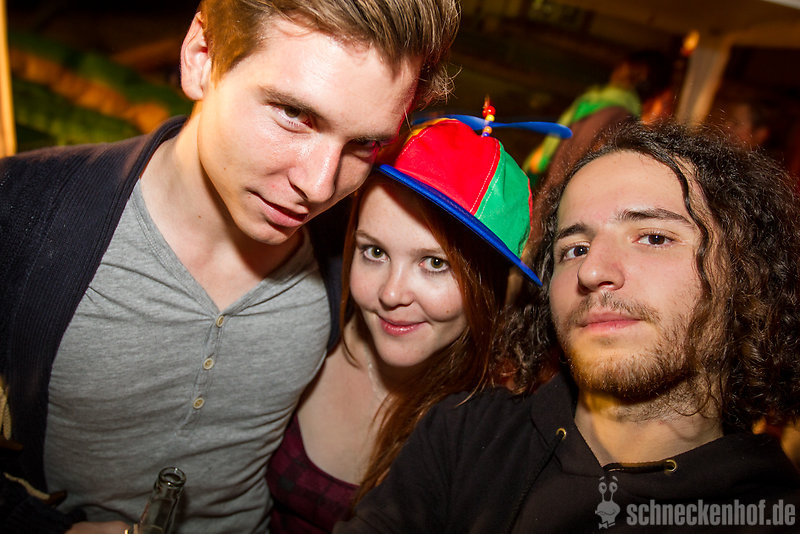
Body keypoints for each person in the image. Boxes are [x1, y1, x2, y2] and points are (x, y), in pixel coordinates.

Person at [0, 0, 459, 532]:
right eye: (294, 114)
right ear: (201, 56)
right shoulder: (21, 212)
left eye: (365, 143)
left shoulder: (352, 251)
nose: (319, 185)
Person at [335, 120, 800, 533]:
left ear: (747, 271)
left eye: (654, 237)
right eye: (574, 249)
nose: (592, 270)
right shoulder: (465, 432)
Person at [266, 116, 545, 532]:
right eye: (374, 252)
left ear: (487, 283)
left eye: (434, 263)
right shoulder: (306, 330)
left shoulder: (492, 426)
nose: (392, 294)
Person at [521, 50, 672, 188]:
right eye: (665, 102)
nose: (666, 112)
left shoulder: (594, 102)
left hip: (551, 192)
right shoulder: (620, 118)